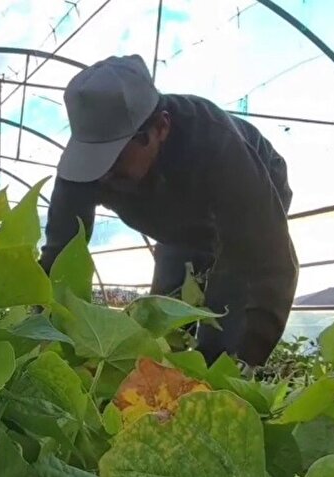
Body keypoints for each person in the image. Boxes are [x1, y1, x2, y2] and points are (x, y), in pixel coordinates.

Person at [39, 54, 299, 367]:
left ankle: (219, 375)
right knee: (164, 313)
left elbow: (265, 263)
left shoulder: (218, 147)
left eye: (114, 158)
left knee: (227, 314)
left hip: (247, 198)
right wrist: (43, 334)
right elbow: (60, 255)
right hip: (173, 229)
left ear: (161, 127)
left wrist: (237, 364)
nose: (102, 174)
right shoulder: (84, 169)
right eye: (93, 160)